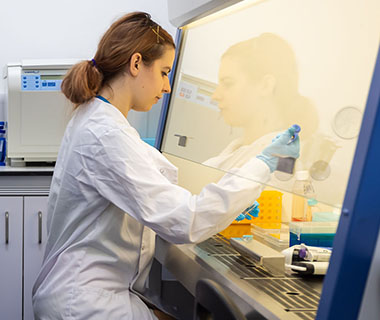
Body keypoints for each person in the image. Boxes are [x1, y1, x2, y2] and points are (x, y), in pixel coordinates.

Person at [32, 12, 299, 320]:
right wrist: (263, 165)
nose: (168, 86)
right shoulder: (106, 134)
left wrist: (233, 200)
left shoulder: (100, 121)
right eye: (163, 72)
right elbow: (188, 221)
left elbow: (162, 179)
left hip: (92, 294)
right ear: (135, 64)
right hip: (86, 305)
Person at [205, 33, 319, 172]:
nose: (215, 96)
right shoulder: (241, 148)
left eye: (228, 84)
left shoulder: (277, 162)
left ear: (265, 86)